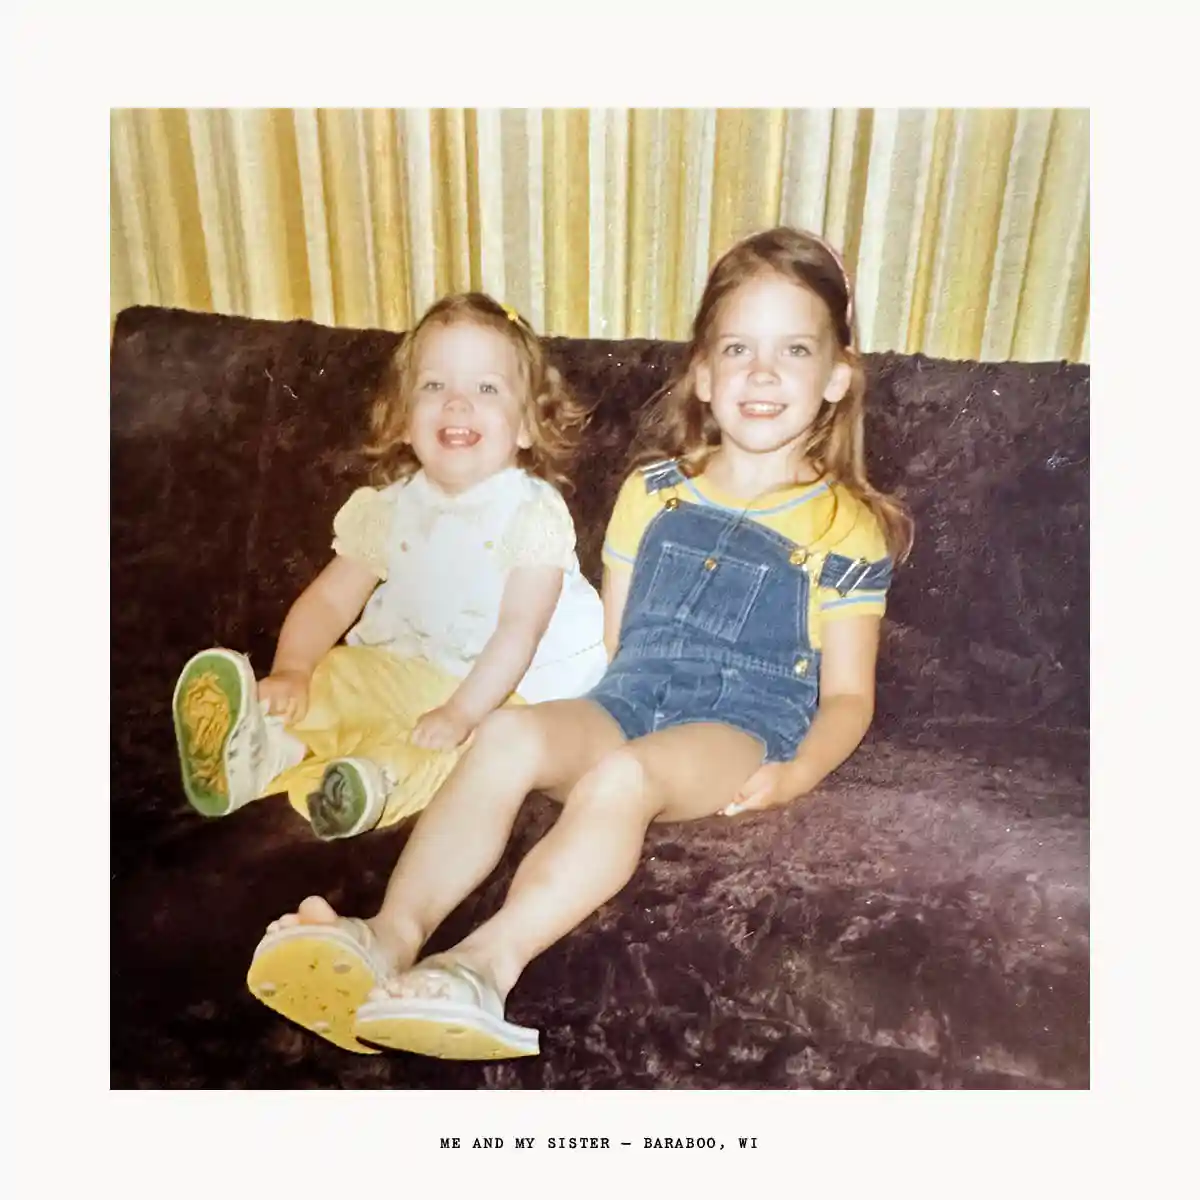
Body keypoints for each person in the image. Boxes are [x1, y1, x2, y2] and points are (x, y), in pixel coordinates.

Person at [245, 227, 914, 1059]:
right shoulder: (651, 492)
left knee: (624, 775)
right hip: (627, 695)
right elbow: (615, 641)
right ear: (703, 374)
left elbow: (849, 695)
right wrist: (565, 727)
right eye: (738, 347)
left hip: (740, 723)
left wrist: (796, 773)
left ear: (837, 377)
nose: (763, 372)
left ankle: (484, 965)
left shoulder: (849, 526)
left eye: (795, 349)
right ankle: (388, 935)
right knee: (510, 731)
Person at [171, 293, 606, 855]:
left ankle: (372, 784)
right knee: (339, 676)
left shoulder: (531, 511)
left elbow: (519, 630)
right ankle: (260, 747)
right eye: (434, 386)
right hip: (400, 670)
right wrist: (294, 671)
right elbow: (330, 601)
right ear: (402, 418)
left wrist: (462, 710)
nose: (456, 404)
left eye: (486, 388)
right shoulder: (387, 508)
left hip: (503, 690)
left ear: (526, 427)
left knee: (465, 750)